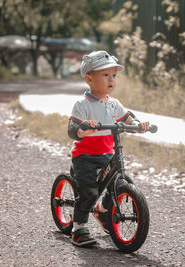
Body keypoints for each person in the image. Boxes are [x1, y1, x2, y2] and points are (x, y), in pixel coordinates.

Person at [67, 50, 150, 247]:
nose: (111, 80)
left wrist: (138, 125)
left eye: (114, 75)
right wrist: (84, 128)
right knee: (89, 192)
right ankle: (78, 228)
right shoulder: (82, 104)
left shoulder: (114, 104)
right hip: (85, 156)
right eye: (105, 75)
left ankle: (104, 212)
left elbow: (127, 117)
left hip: (107, 153)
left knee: (119, 180)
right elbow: (72, 129)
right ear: (89, 79)